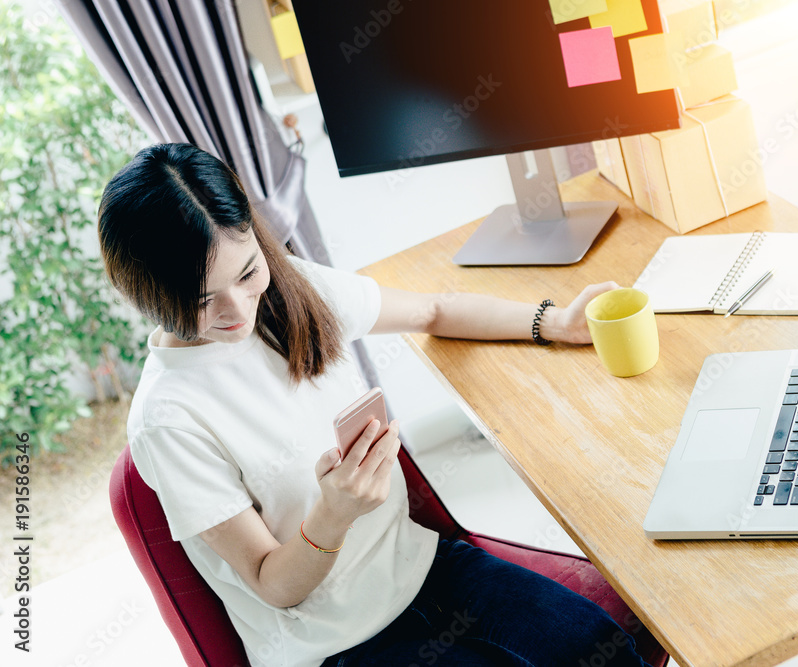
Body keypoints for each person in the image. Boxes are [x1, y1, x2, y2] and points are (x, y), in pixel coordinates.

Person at [99, 143, 649, 667]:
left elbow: (434, 311)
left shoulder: (290, 291)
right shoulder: (168, 419)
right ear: (148, 294)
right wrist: (333, 515)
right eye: (201, 300)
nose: (239, 309)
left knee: (599, 646)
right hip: (331, 645)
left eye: (246, 273)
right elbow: (273, 585)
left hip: (421, 569)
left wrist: (555, 322)